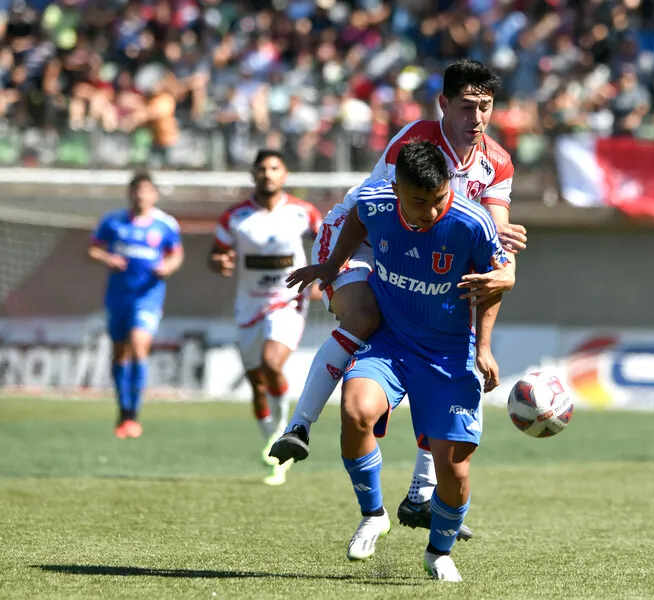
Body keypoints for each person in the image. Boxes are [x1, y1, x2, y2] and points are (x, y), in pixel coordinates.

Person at [270, 58, 526, 538]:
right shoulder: (414, 142)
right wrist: (329, 269)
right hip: (361, 237)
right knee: (364, 318)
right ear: (444, 104)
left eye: (486, 107)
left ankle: (420, 495)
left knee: (447, 340)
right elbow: (375, 211)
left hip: (423, 245)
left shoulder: (498, 161)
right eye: (467, 107)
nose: (477, 118)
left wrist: (505, 270)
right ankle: (300, 424)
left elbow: (492, 236)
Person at [285, 141, 506, 581]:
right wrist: (329, 268)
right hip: (391, 343)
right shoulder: (375, 201)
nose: (429, 211)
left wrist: (483, 347)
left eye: (438, 198)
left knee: (454, 469)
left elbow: (494, 284)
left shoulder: (472, 222)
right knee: (355, 409)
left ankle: (438, 553)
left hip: (448, 353)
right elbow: (356, 219)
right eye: (419, 201)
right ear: (397, 190)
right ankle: (374, 514)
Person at [208, 149, 322, 486]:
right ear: (253, 175)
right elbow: (216, 254)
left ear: (284, 174)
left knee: (273, 364)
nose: (268, 174)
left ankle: (285, 435)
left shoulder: (303, 212)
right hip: (248, 305)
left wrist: (323, 276)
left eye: (275, 167)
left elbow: (329, 242)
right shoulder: (235, 217)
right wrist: (219, 263)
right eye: (262, 169)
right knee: (257, 382)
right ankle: (270, 441)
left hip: (288, 300)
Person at [88, 172, 183, 438]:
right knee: (120, 353)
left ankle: (133, 415)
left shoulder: (165, 224)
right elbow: (92, 249)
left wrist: (167, 267)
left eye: (146, 190)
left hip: (148, 296)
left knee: (139, 346)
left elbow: (176, 255)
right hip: (118, 296)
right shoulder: (113, 221)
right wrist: (107, 258)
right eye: (136, 190)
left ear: (154, 194)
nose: (141, 195)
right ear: (130, 193)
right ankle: (123, 410)